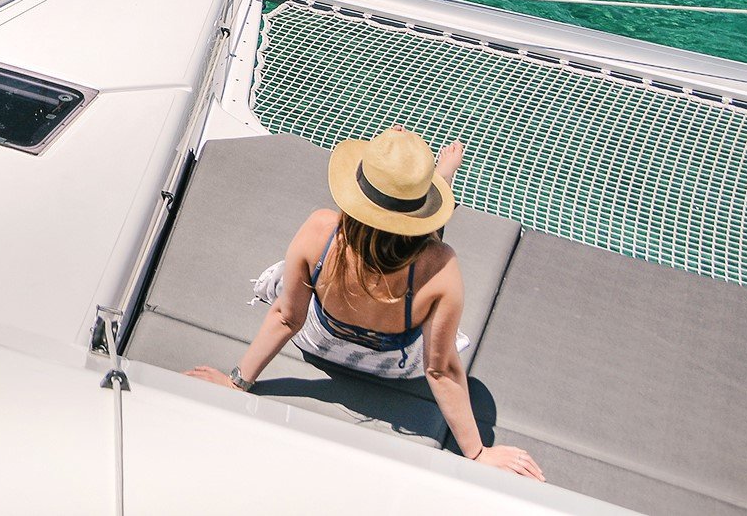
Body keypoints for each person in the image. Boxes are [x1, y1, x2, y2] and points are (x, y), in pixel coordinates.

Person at [185, 128, 545, 482]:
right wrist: (479, 453)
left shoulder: (319, 229)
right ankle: (439, 186)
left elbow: (286, 317)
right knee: (424, 255)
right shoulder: (442, 268)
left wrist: (236, 384)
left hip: (318, 342)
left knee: (292, 274)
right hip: (393, 365)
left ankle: (431, 187)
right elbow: (440, 370)